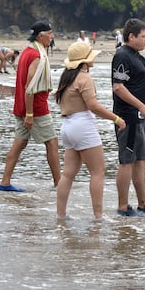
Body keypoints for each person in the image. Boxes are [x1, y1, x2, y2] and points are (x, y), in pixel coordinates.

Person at [56, 41, 126, 220]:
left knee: (67, 174)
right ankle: (98, 216)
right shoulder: (84, 78)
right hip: (83, 126)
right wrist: (116, 119)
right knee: (98, 171)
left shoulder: (67, 77)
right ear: (85, 60)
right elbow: (93, 106)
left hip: (67, 126)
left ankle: (60, 215)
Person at [0, 21, 61, 192]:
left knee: (19, 143)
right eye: (50, 33)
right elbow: (30, 86)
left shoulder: (26, 51)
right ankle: (59, 183)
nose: (52, 36)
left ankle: (5, 182)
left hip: (21, 105)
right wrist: (30, 114)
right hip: (35, 108)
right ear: (41, 36)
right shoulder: (36, 55)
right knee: (52, 142)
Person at [111, 18, 145, 216]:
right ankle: (123, 206)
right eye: (143, 36)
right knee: (127, 161)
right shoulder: (122, 56)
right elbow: (118, 87)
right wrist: (140, 106)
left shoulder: (135, 55)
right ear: (131, 37)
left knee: (140, 159)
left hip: (139, 117)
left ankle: (143, 202)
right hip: (128, 117)